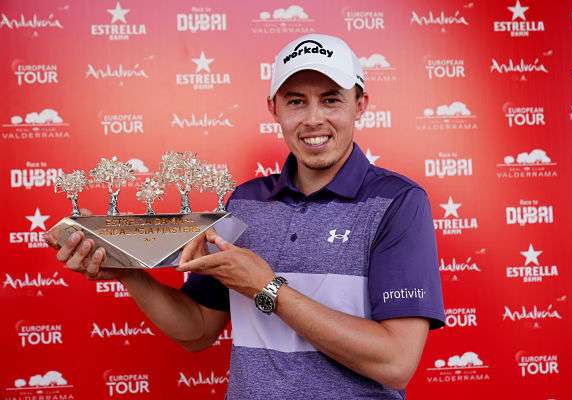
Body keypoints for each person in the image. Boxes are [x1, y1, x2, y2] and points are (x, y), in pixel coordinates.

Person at [46, 33, 445, 399]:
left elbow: (396, 362)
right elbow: (198, 330)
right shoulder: (245, 202)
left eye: (330, 98)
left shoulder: (398, 202)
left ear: (360, 105)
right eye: (295, 100)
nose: (312, 118)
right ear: (274, 108)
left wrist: (267, 288)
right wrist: (129, 270)